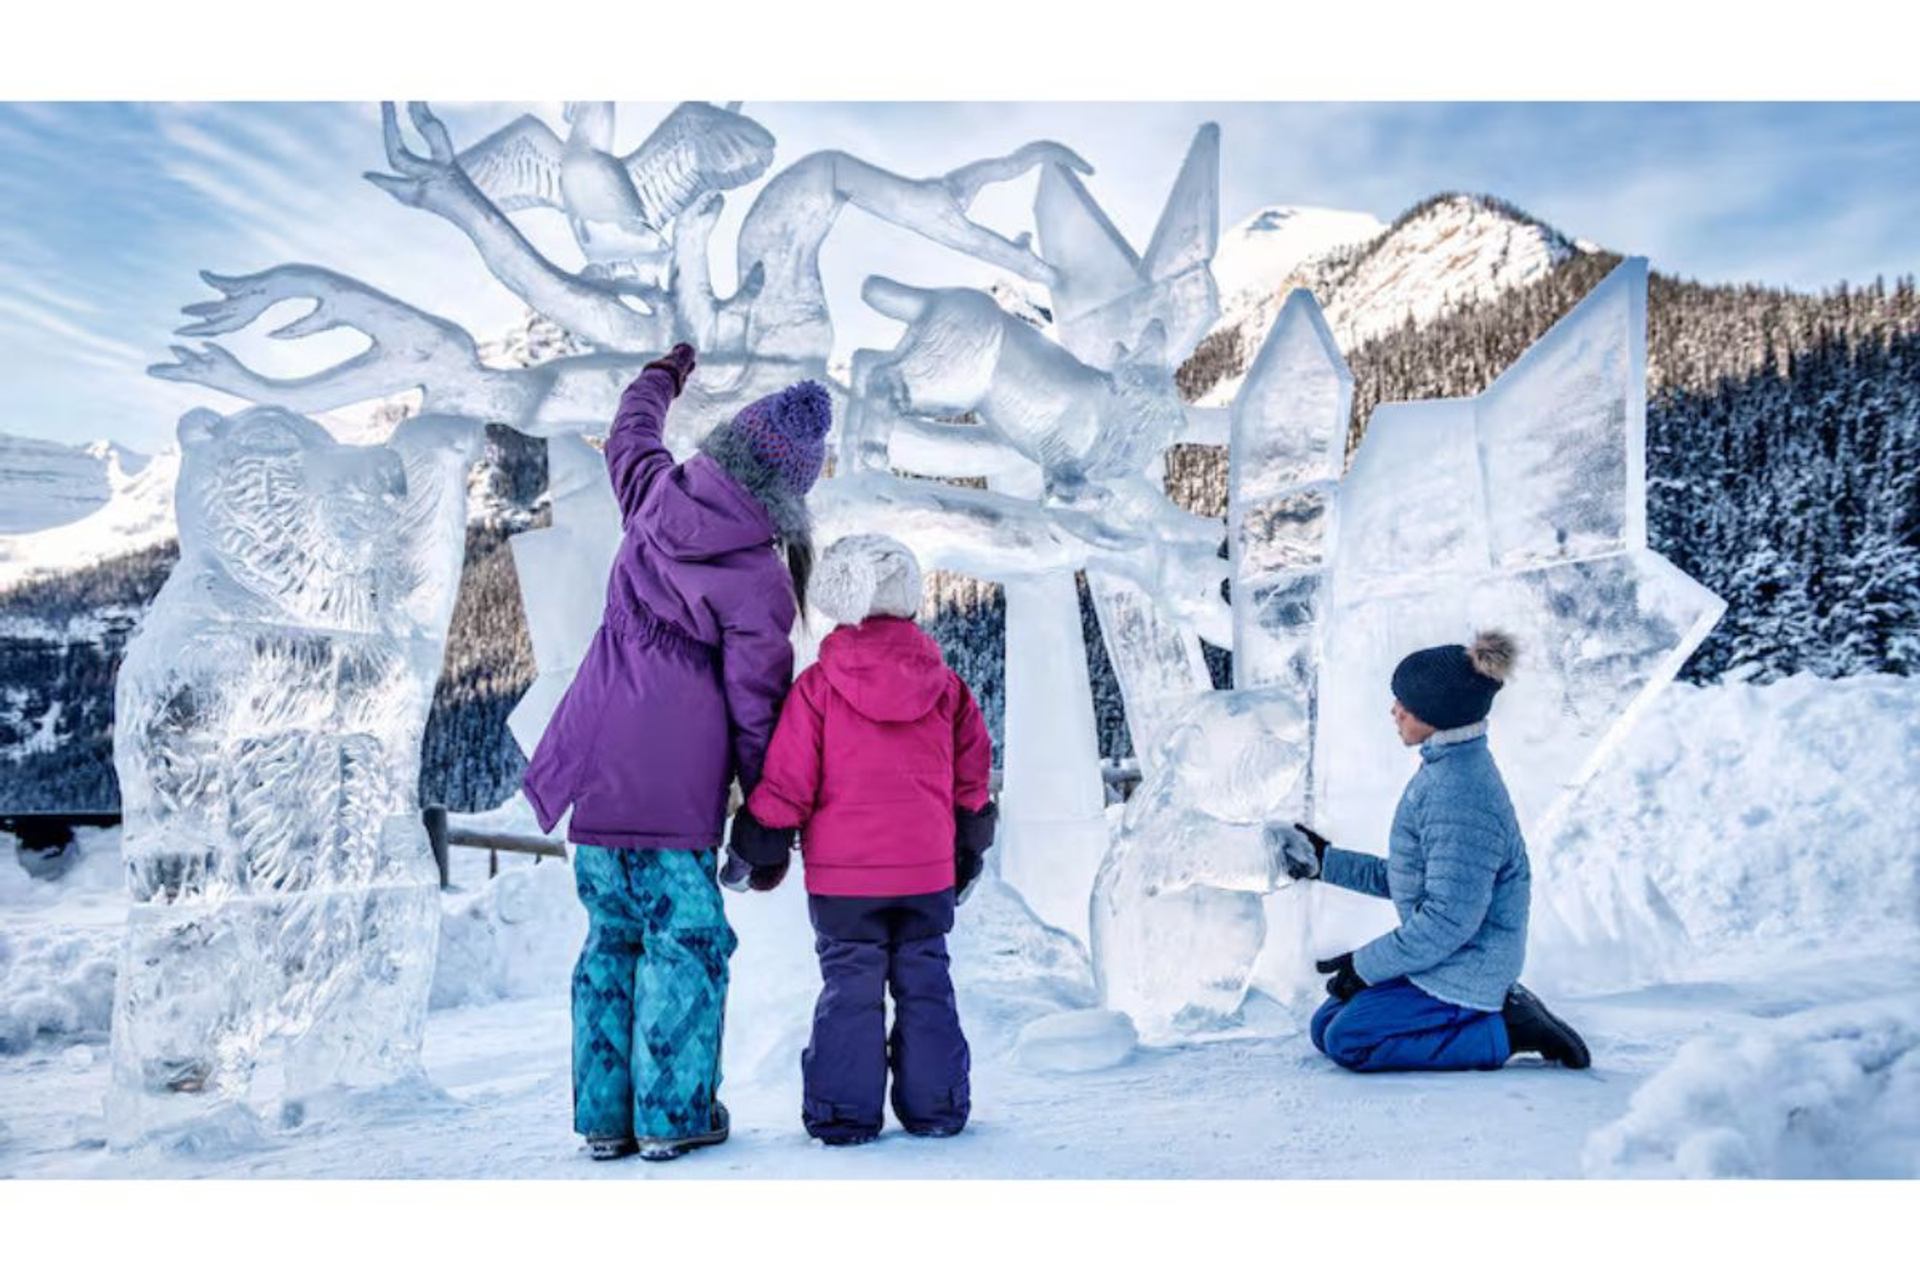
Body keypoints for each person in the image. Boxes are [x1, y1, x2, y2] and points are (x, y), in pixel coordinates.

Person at [521, 343, 831, 1161]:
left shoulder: (653, 494)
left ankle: (604, 1119)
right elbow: (756, 710)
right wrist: (765, 819)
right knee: (684, 942)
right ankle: (672, 1113)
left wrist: (664, 376)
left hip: (594, 777)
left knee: (610, 941)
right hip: (675, 798)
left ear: (725, 446)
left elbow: (630, 431)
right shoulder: (760, 578)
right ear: (788, 495)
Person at [723, 533, 996, 1145]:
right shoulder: (947, 689)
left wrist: (755, 846)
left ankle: (844, 1115)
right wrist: (969, 845)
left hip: (844, 885)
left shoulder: (818, 689)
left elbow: (787, 784)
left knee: (850, 988)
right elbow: (972, 779)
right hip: (927, 876)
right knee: (926, 982)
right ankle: (938, 1108)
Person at [1271, 630, 1591, 1073]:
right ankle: (1489, 1015)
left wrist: (1365, 967)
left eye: (1406, 703)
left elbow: (1448, 919)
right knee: (1326, 1025)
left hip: (1465, 968)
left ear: (1439, 713)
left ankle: (1506, 1029)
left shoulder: (1460, 793)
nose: (1395, 711)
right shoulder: (1446, 768)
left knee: (1350, 1041)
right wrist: (1326, 863)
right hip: (1443, 957)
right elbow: (1417, 880)